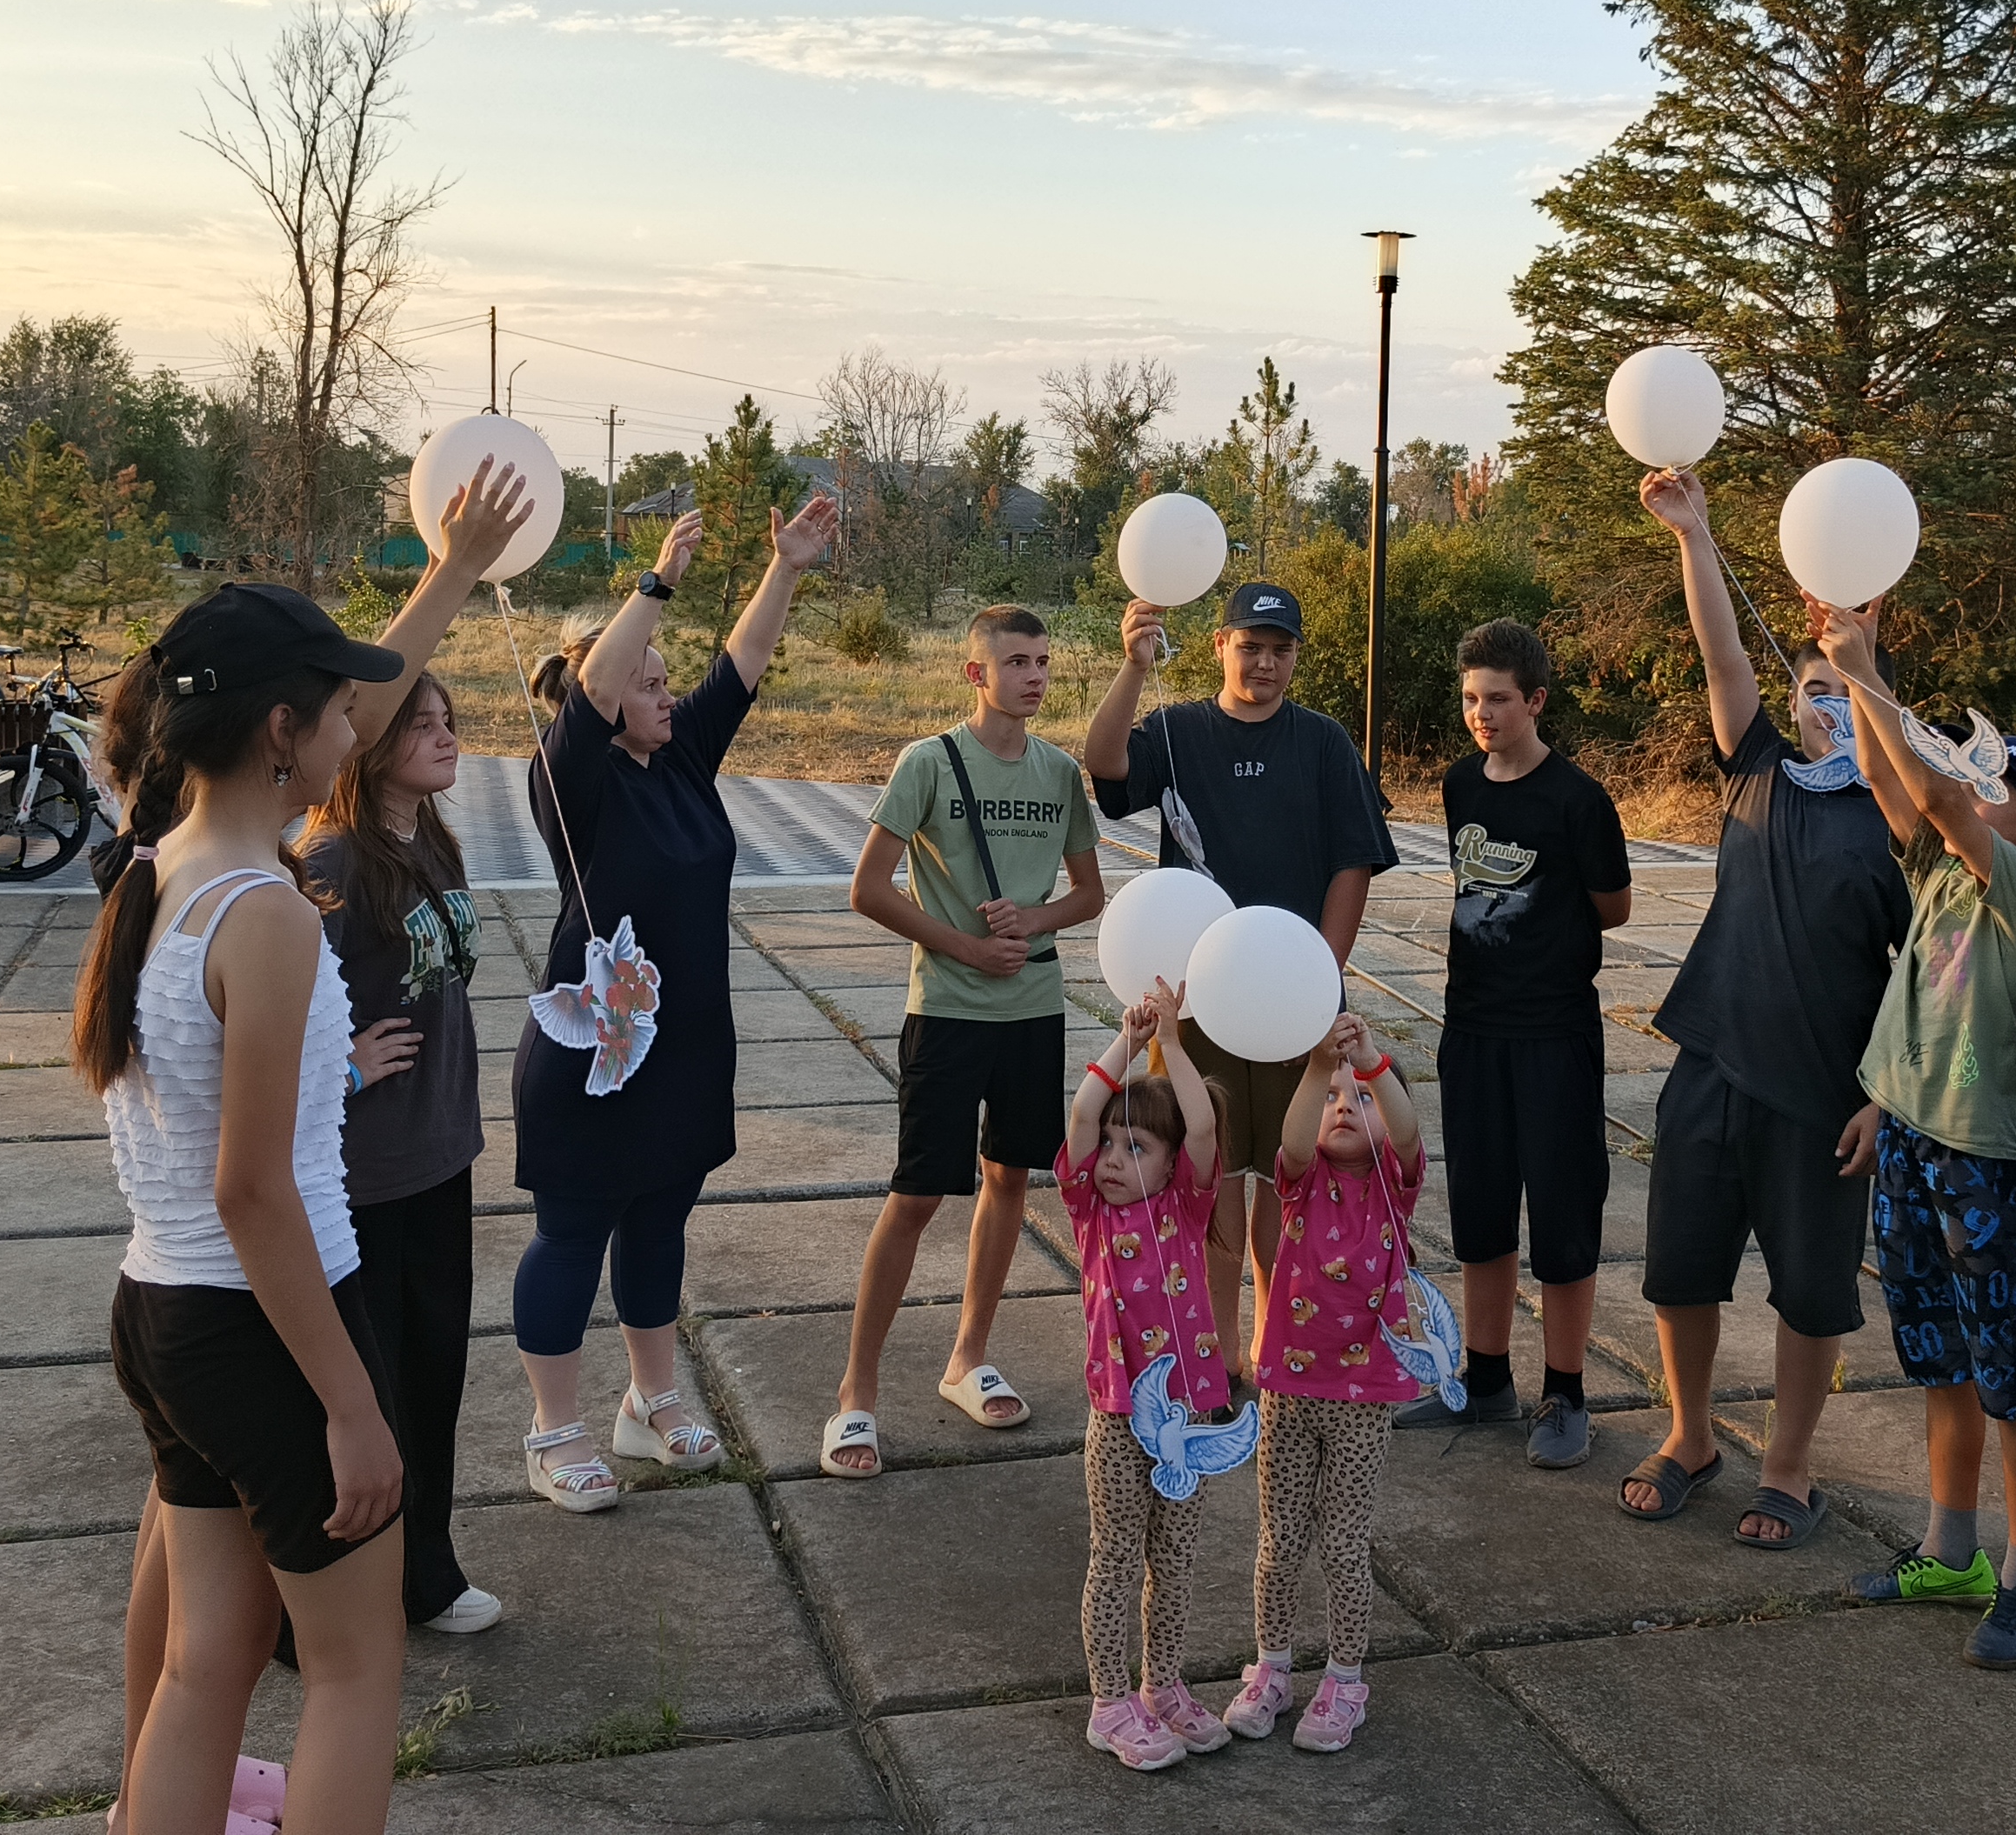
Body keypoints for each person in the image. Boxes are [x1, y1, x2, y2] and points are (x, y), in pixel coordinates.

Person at [78, 453, 531, 1835]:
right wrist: (349, 1404)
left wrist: (452, 572)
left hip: (165, 1312)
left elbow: (221, 1183)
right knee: (353, 1667)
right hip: (266, 1323)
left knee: (207, 1661)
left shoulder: (158, 867)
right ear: (282, 729)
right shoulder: (264, 913)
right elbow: (256, 1192)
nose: (361, 725)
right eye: (340, 708)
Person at [510, 490, 841, 1511]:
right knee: (574, 1236)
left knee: (659, 1225)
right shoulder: (573, 779)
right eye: (647, 685)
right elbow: (595, 687)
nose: (667, 696)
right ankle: (551, 1432)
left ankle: (647, 1403)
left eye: (665, 684)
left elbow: (742, 662)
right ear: (607, 700)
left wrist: (783, 568)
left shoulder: (682, 759)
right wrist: (654, 583)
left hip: (688, 1053)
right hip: (596, 1055)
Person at [1619, 470, 1909, 1548]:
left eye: (1842, 691)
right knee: (1678, 1273)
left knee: (1810, 1294)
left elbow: (1926, 979)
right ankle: (1690, 1436)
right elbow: (1722, 655)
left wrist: (1885, 1097)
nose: (1821, 703)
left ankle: (1787, 1467)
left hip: (1825, 1095)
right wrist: (1693, 536)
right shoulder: (1758, 770)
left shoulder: (1901, 820)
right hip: (1710, 1066)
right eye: (1812, 688)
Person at [1819, 613, 2016, 1669]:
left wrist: (1864, 672)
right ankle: (1948, 1551)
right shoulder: (1937, 869)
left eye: (1993, 785)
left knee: (2008, 1376)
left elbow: (1932, 796)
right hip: (1908, 1139)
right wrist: (1855, 671)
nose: (1972, 789)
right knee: (1936, 1361)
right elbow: (1896, 786)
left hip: (1976, 1158)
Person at [1083, 576, 1398, 1384]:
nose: (1264, 662)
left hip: (1292, 1009)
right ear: (1220, 645)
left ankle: (1277, 1349)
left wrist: (1319, 983)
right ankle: (1220, 1356)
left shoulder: (1323, 742)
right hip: (1197, 1010)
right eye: (1249, 646)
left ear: (1296, 656)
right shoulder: (1178, 730)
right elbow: (1105, 766)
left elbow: (1353, 864)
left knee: (1291, 1184)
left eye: (1280, 649)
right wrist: (1133, 666)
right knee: (1211, 1178)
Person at [822, 604, 1108, 1477]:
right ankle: (856, 1395)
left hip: (1033, 1009)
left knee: (1010, 1179)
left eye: (1043, 662)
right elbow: (868, 889)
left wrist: (1032, 920)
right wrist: (966, 948)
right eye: (1017, 662)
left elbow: (1088, 893)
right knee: (916, 1195)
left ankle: (966, 1359)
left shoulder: (1059, 773)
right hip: (947, 1009)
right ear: (975, 673)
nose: (1035, 676)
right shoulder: (928, 762)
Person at [300, 667, 501, 1634]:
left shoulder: (432, 841)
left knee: (432, 1376)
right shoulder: (329, 860)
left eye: (448, 720)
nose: (446, 737)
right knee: (366, 1393)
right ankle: (333, 1595)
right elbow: (269, 1013)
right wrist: (343, 1066)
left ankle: (427, 1573)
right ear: (370, 741)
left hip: (439, 1153)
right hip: (363, 1176)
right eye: (420, 725)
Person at [1437, 617, 1632, 1468]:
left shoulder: (1579, 801)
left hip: (1553, 1035)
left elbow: (1613, 906)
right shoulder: (1458, 785)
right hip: (1471, 1030)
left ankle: (1564, 1392)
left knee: (1560, 1218)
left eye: (1499, 699)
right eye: (1471, 699)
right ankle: (1484, 1382)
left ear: (1537, 701)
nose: (1482, 714)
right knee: (1479, 1214)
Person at [1227, 1010, 1425, 1754]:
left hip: (1363, 1398)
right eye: (1333, 1099)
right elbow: (1289, 1138)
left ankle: (1345, 1680)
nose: (1344, 1106)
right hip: (1288, 1389)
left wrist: (1371, 1061)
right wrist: (1318, 1068)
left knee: (1343, 1545)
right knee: (1278, 1542)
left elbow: (1406, 1131)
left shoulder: (1393, 1187)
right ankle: (1271, 1669)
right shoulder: (1300, 1182)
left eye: (1361, 1098)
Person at [1062, 985, 1232, 1773]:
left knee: (1178, 1558)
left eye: (1136, 1148)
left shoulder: (1186, 1208)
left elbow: (1202, 1125)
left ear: (1172, 1167)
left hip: (1188, 1423)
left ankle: (1162, 1686)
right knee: (1117, 1557)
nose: (1111, 1160)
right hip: (1118, 1415)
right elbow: (1081, 1116)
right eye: (1110, 1145)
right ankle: (1109, 1704)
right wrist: (1127, 1045)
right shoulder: (1091, 1213)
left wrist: (1173, 1041)